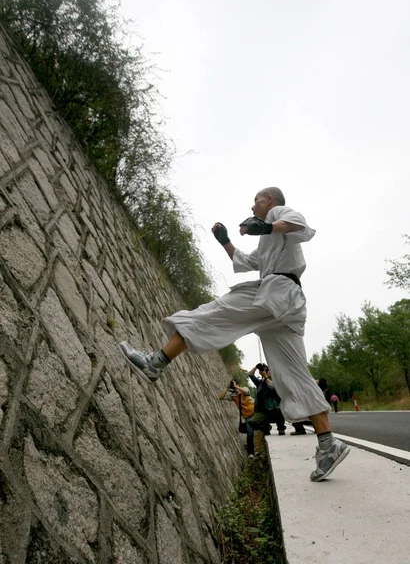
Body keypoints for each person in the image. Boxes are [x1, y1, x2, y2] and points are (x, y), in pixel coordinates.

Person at [119, 186, 350, 482]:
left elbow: (300, 226)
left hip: (275, 293)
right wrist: (226, 241)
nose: (253, 205)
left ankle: (155, 363)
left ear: (269, 201)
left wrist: (267, 224)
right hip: (285, 306)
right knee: (293, 374)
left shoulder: (280, 214)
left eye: (256, 200)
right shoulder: (270, 239)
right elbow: (248, 262)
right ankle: (328, 444)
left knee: (213, 314)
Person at [247, 363, 286, 437]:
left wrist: (265, 377)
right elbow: (250, 374)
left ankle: (281, 428)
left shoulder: (277, 382)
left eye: (267, 370)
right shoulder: (260, 383)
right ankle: (265, 427)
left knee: (280, 409)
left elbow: (272, 389)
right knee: (251, 422)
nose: (266, 372)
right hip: (262, 411)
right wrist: (257, 367)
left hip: (274, 409)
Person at [219, 380, 255, 457]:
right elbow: (221, 397)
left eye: (235, 384)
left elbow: (246, 391)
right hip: (247, 416)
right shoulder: (233, 396)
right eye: (232, 384)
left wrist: (235, 386)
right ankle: (251, 453)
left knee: (260, 427)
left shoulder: (244, 389)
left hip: (255, 412)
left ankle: (267, 427)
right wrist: (227, 387)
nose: (234, 386)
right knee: (250, 433)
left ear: (238, 384)